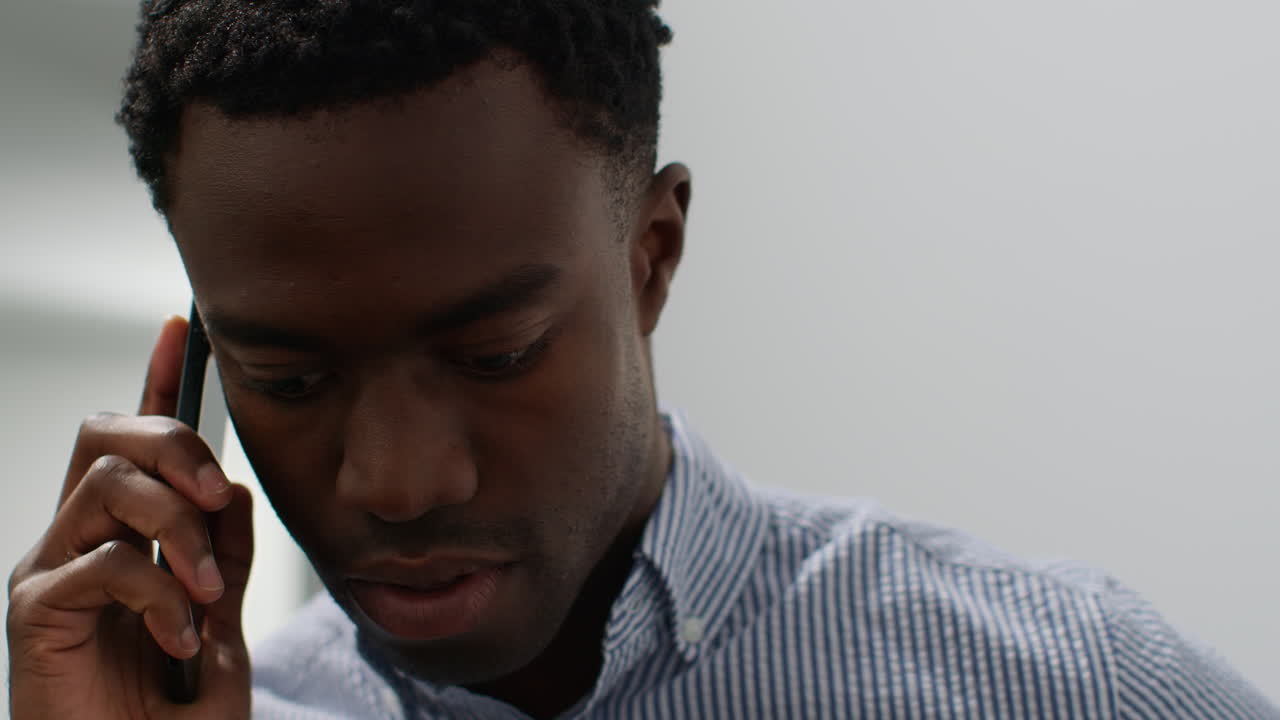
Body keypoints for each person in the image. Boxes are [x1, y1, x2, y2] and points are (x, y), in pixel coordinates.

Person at [5, 1, 1277, 718]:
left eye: (495, 354)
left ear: (651, 256)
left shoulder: (1074, 686)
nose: (397, 483)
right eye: (286, 381)